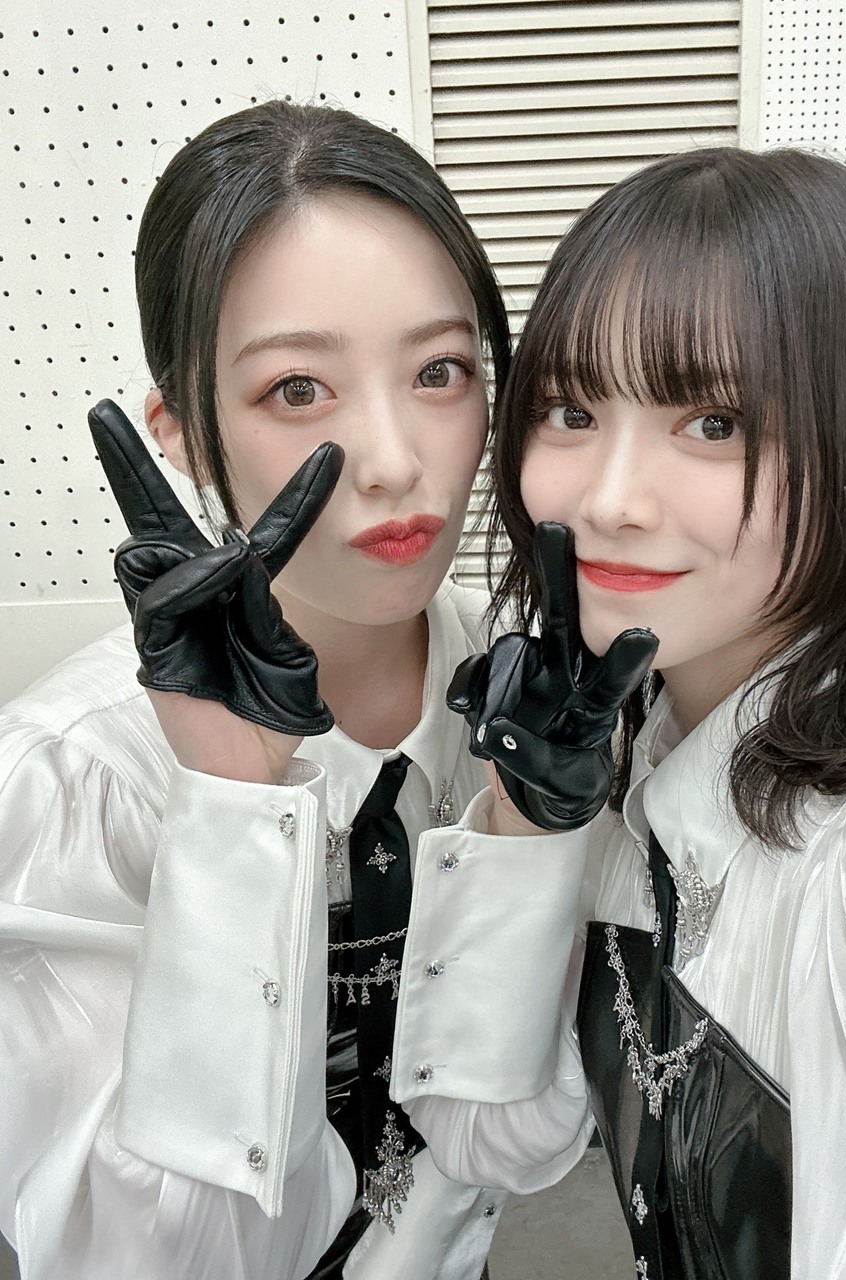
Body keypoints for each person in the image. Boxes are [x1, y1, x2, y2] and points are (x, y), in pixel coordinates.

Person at [395, 148, 846, 1279]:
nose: (608, 499)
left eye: (714, 423)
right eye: (571, 410)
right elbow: (495, 1138)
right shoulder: (643, 756)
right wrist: (524, 825)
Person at [0, 97, 525, 1280]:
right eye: (298, 388)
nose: (395, 459)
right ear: (181, 433)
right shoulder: (70, 784)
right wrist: (231, 811)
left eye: (440, 370)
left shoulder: (525, 698)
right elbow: (144, 1258)